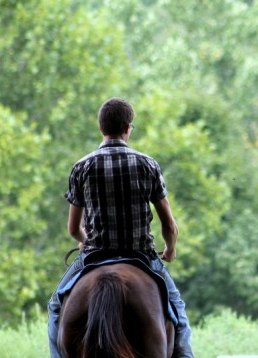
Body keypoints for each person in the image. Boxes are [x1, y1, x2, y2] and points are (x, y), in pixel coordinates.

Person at [47, 97, 194, 357]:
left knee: (56, 308)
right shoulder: (147, 165)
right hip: (141, 257)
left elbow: (73, 228)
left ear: (101, 128)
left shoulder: (82, 167)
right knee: (177, 312)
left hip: (94, 255)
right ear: (128, 127)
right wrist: (170, 249)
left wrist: (84, 240)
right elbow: (169, 224)